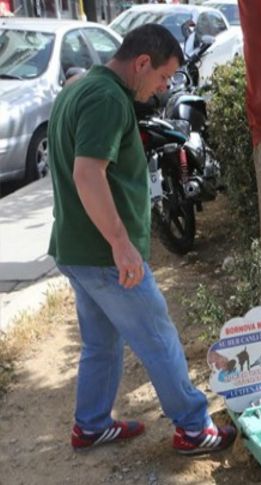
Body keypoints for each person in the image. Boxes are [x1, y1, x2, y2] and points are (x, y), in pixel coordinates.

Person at [47, 23, 236, 454]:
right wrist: (120, 242)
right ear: (142, 62)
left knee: (101, 342)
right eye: (163, 76)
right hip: (101, 254)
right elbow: (87, 173)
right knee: (158, 335)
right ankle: (193, 427)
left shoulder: (80, 88)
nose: (162, 88)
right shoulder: (108, 99)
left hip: (76, 249)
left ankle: (91, 424)